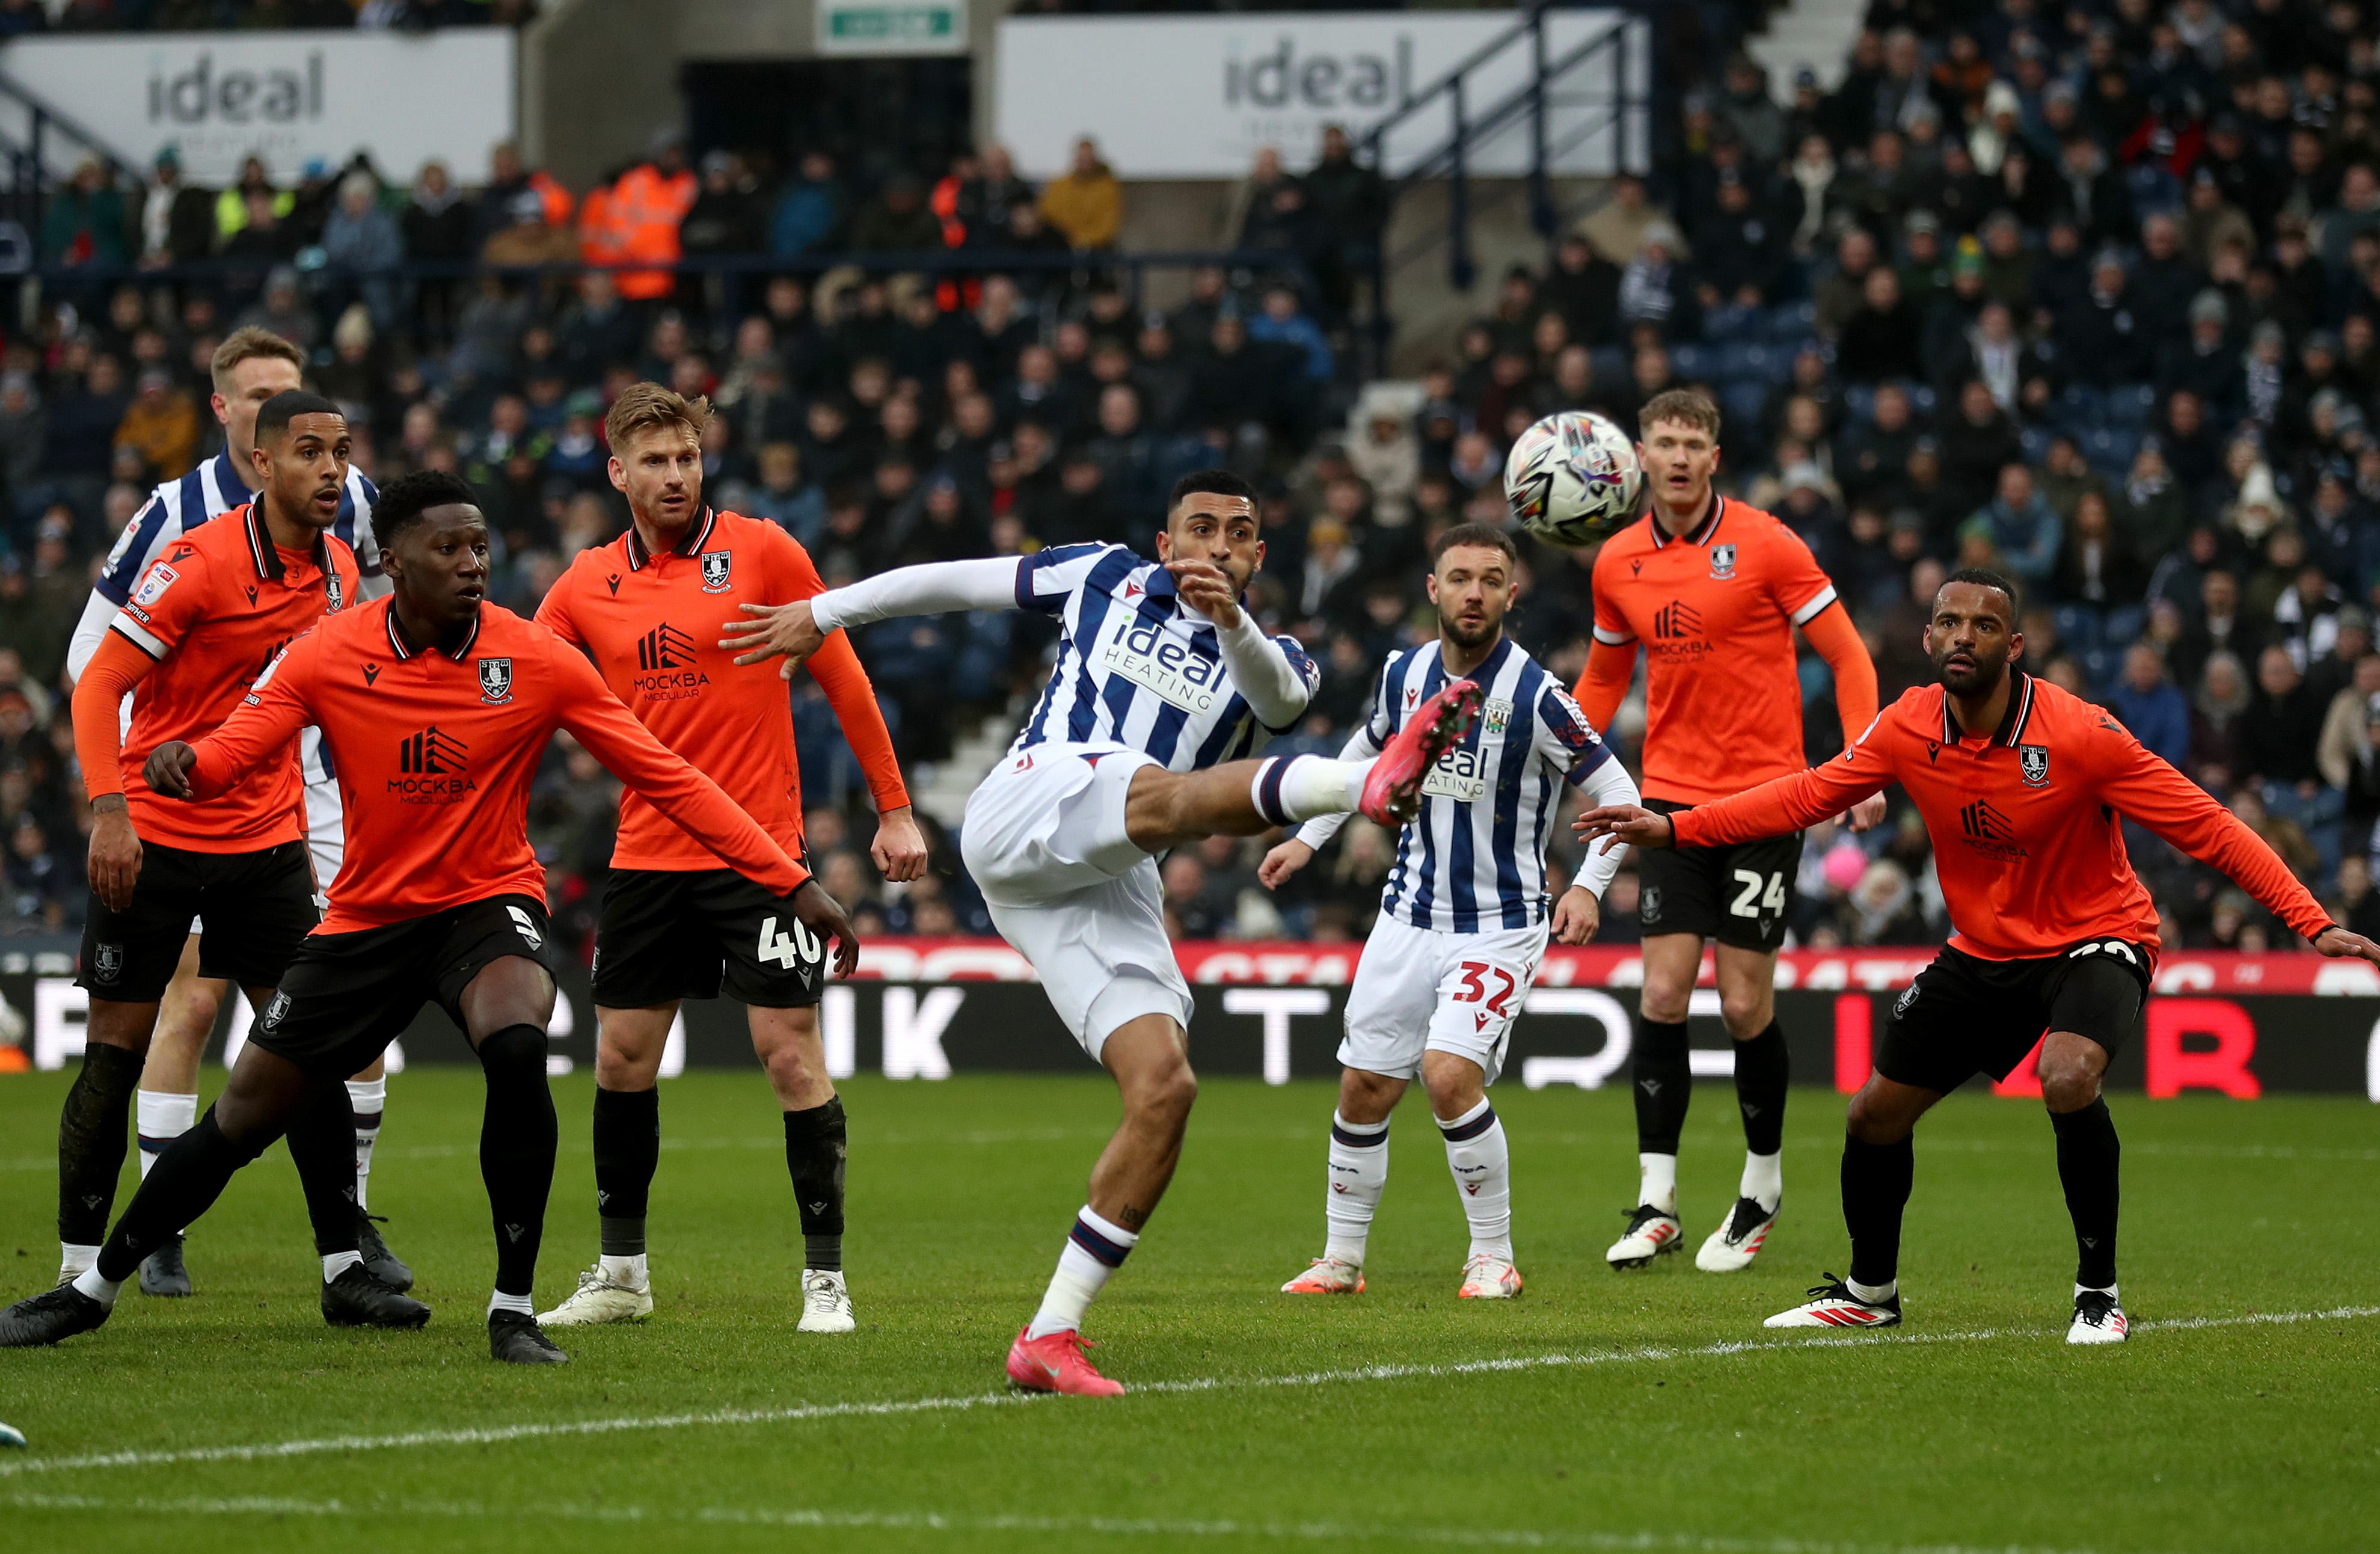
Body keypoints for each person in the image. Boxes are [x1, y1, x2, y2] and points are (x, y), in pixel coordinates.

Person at [0, 472, 860, 1364]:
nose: (472, 564)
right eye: (447, 549)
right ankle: (93, 1287)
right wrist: (190, 765)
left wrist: (790, 879)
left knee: (519, 1035)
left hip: (487, 907)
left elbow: (666, 776)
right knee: (245, 1114)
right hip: (369, 918)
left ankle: (512, 1309)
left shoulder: (534, 659)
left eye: (479, 546)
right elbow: (236, 749)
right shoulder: (330, 650)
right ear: (397, 562)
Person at [723, 471, 1483, 1394]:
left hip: (1108, 864)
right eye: (1196, 528)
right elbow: (952, 581)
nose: (1215, 544)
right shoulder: (1102, 576)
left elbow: (1279, 703)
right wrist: (824, 610)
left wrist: (1233, 622)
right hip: (1033, 796)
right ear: (1165, 545)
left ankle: (1050, 1334)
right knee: (1161, 793)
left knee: (1165, 1088)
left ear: (1257, 557)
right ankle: (1364, 786)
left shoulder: (1279, 653)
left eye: (1236, 534)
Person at [1575, 570, 2380, 1344]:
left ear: (2016, 647)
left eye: (1985, 624)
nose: (1963, 635)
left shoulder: (2082, 734)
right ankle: (1869, 1294)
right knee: (1872, 1115)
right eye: (1949, 621)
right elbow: (1809, 792)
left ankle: (2099, 1295)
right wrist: (1676, 825)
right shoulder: (1905, 726)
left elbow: (2208, 824)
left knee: (2068, 1076)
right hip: (1984, 948)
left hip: (2097, 935)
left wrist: (2312, 920)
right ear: (1929, 639)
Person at [529, 385, 926, 1336]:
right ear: (617, 472)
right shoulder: (585, 582)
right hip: (648, 857)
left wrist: (896, 809)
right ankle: (623, 1272)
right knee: (623, 1056)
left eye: (688, 458)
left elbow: (844, 676)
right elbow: (524, 685)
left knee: (787, 1055)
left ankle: (824, 1283)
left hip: (763, 856)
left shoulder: (764, 550)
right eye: (655, 461)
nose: (675, 475)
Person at [47, 390, 400, 1328]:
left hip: (268, 849)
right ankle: (77, 1270)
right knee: (114, 1055)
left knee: (309, 1052)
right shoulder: (195, 564)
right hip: (154, 844)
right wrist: (110, 813)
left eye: (344, 452)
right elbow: (101, 689)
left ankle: (341, 1269)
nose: (334, 471)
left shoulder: (334, 566)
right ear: (262, 462)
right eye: (312, 453)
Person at [1258, 524, 1640, 1298]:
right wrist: (1307, 840)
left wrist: (1587, 887)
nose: (1474, 592)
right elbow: (1359, 762)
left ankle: (1493, 1256)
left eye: (1490, 580)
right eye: (1459, 578)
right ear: (1433, 589)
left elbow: (1620, 794)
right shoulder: (1404, 673)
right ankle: (1341, 1261)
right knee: (1364, 1087)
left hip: (1499, 925)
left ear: (1510, 593)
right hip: (1406, 916)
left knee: (1447, 1075)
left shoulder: (1536, 694)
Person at [1570, 388, 1882, 1275]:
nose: (1675, 457)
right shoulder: (1617, 560)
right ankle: (1658, 1199)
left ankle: (1762, 1184)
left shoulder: (1770, 542)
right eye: (1661, 442)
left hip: (1765, 801)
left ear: (1715, 456)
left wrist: (1859, 762)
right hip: (1667, 804)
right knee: (1662, 995)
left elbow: (1849, 656)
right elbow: (1600, 683)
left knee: (1744, 1002)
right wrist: (1562, 757)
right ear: (1640, 454)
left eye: (1690, 443)